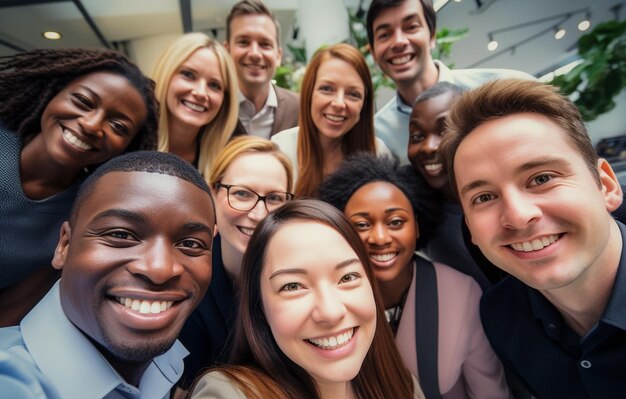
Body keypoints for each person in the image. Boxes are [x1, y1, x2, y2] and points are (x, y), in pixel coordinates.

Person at [438, 79, 626, 398]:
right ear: (469, 227)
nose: (517, 215)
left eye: (541, 178)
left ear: (606, 186)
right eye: (484, 197)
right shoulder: (500, 317)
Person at [0, 151, 216, 399]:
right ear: (65, 245)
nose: (160, 269)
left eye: (190, 244)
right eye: (121, 235)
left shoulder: (167, 364)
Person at [319, 154, 510, 399]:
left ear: (417, 226)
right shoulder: (327, 302)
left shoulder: (461, 292)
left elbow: (490, 392)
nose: (380, 238)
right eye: (362, 225)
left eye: (396, 222)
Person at [190, 199, 423, 398]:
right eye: (293, 286)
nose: (331, 312)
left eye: (348, 277)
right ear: (260, 308)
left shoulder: (402, 385)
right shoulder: (228, 393)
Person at [0, 48, 158, 327]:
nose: (91, 124)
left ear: (126, 148)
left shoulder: (84, 211)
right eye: (84, 101)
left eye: (118, 126)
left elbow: (12, 310)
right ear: (54, 93)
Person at [176, 136, 294, 391]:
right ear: (212, 193)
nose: (259, 214)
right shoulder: (187, 279)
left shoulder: (301, 273)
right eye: (241, 193)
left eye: (274, 198)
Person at [366, 0, 534, 163]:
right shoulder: (378, 134)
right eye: (384, 35)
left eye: (411, 27)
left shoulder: (506, 90)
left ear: (432, 36)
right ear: (373, 51)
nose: (398, 42)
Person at [272, 43, 391, 197]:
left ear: (364, 104)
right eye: (327, 89)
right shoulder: (280, 150)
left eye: (353, 94)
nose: (339, 103)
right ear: (309, 92)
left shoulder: (378, 153)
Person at [408, 82, 491, 289]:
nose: (429, 147)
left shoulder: (507, 200)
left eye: (444, 131)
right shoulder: (422, 217)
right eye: (417, 136)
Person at [152, 32, 240, 175]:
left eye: (214, 85)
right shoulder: (127, 143)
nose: (200, 93)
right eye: (188, 75)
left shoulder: (228, 167)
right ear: (166, 75)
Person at [225, 0, 299, 138]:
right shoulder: (213, 109)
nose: (254, 53)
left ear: (278, 56)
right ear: (227, 51)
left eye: (265, 44)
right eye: (243, 42)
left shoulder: (300, 109)